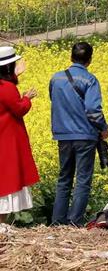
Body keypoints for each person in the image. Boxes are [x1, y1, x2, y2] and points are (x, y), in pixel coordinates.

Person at [50, 42, 108, 226]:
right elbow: (93, 110)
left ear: (71, 57)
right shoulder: (90, 80)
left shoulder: (56, 79)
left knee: (64, 178)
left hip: (63, 135)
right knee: (83, 179)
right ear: (89, 60)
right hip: (85, 135)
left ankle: (57, 222)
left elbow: (54, 100)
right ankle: (74, 222)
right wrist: (104, 128)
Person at [0, 46, 39, 224]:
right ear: (9, 68)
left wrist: (17, 76)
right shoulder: (6, 88)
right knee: (7, 184)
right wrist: (27, 98)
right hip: (7, 139)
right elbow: (19, 108)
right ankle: (3, 227)